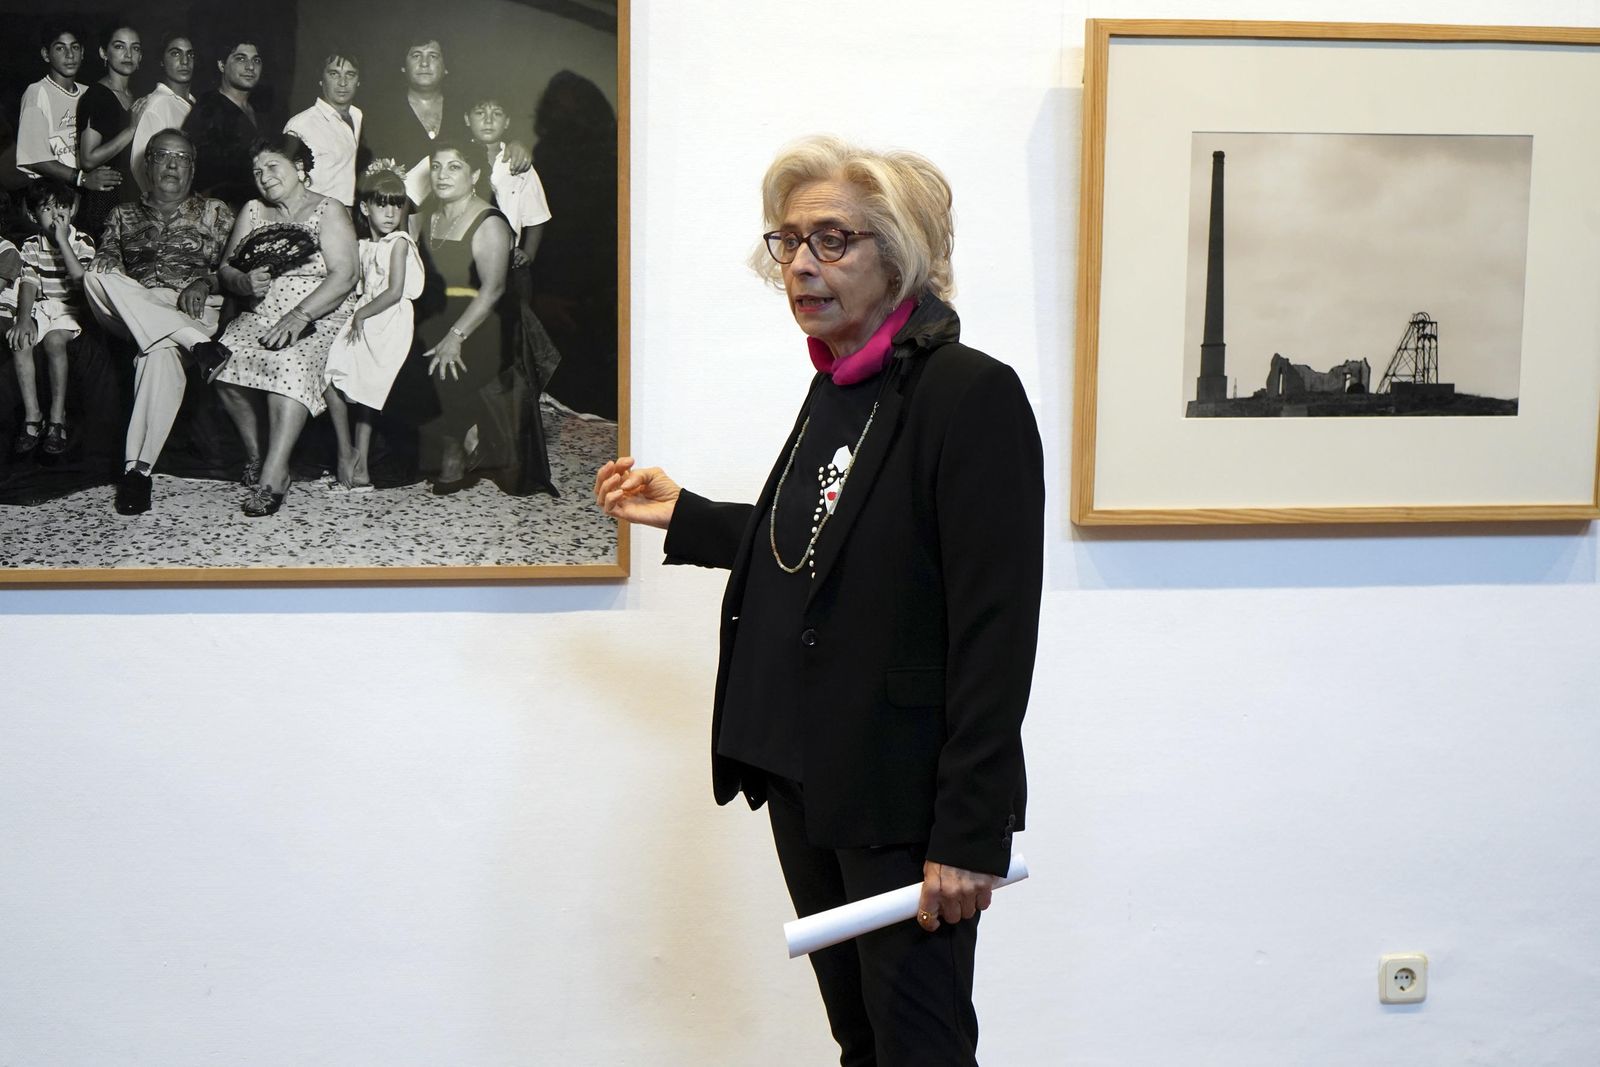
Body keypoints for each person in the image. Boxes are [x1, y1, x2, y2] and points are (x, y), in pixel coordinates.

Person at [593, 136, 1044, 1066]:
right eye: (790, 240)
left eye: (833, 239)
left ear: (900, 253)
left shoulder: (971, 395)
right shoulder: (840, 381)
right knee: (861, 1040)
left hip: (900, 798)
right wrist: (688, 514)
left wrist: (970, 833)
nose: (800, 263)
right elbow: (829, 547)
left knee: (919, 1046)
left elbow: (996, 632)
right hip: (808, 774)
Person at [83, 128, 234, 515]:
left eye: (182, 158)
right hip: (135, 308)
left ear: (192, 168)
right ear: (148, 164)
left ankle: (137, 471)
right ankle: (197, 345)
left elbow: (232, 270)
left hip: (192, 307)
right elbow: (107, 258)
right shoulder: (122, 214)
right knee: (94, 275)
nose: (172, 164)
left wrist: (204, 281)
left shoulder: (216, 212)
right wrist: (108, 259)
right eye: (163, 156)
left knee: (159, 354)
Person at [212, 134, 358, 516]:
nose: (264, 176)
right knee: (219, 360)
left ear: (300, 168)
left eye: (272, 166)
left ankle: (275, 475)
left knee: (288, 365)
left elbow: (345, 275)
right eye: (257, 171)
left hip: (320, 313)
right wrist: (243, 282)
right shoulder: (253, 210)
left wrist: (300, 315)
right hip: (262, 314)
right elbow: (226, 268)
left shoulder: (329, 209)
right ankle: (257, 455)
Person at [411, 141, 552, 496]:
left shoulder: (489, 222)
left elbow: (493, 290)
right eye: (437, 167)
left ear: (474, 175)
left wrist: (455, 336)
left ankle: (457, 446)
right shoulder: (430, 217)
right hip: (442, 314)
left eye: (454, 167)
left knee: (445, 364)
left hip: (487, 324)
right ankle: (467, 434)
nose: (442, 175)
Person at [322, 165, 422, 490]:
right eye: (382, 205)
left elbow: (393, 291)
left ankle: (361, 464)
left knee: (366, 390)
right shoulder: (363, 245)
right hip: (366, 315)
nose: (391, 213)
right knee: (335, 380)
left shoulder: (400, 242)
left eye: (397, 205)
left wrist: (361, 315)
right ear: (366, 208)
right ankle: (352, 456)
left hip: (389, 320)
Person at [362, 34, 531, 208]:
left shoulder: (464, 108)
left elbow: (490, 135)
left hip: (460, 213)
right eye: (416, 55)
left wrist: (514, 143)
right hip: (398, 213)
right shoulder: (381, 114)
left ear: (446, 67)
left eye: (433, 56)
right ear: (403, 66)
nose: (424, 63)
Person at [7, 181, 94, 457]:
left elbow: (81, 283)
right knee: (21, 341)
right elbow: (29, 284)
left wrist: (63, 241)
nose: (56, 214)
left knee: (55, 343)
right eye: (47, 208)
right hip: (42, 307)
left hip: (71, 308)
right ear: (33, 216)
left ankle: (57, 418)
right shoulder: (31, 244)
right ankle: (33, 417)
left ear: (73, 210)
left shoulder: (82, 241)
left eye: (62, 207)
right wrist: (23, 319)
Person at [16, 24, 121, 197]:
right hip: (51, 196)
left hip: (85, 195)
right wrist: (82, 178)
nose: (70, 55)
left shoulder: (89, 93)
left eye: (75, 47)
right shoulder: (37, 92)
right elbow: (36, 159)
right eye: (60, 48)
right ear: (46, 54)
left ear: (83, 52)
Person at [74, 24, 147, 235]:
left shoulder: (137, 96)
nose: (128, 54)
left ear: (140, 56)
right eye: (119, 46)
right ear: (103, 53)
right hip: (104, 200)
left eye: (135, 48)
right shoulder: (96, 96)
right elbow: (88, 159)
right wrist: (131, 129)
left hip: (133, 197)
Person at [463, 95, 549, 267]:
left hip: (507, 257)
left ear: (507, 122)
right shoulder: (456, 159)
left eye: (497, 114)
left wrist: (528, 254)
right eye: (480, 113)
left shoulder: (519, 162)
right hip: (464, 255)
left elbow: (537, 215)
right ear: (467, 119)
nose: (488, 120)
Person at [183, 38, 264, 208]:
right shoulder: (209, 108)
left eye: (256, 60)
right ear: (221, 65)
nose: (250, 66)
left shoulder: (257, 109)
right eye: (240, 58)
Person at [283, 52, 365, 210]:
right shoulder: (300, 125)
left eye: (350, 75)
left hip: (354, 217)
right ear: (321, 79)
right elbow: (288, 189)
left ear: (358, 81)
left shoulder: (359, 116)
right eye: (334, 74)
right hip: (318, 215)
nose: (343, 83)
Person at [129, 32, 197, 195]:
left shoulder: (194, 103)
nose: (185, 61)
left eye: (190, 54)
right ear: (161, 60)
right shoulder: (156, 104)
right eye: (175, 53)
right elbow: (139, 166)